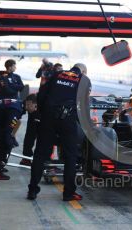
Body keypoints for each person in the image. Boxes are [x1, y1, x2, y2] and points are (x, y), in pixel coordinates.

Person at [27, 63, 90, 201]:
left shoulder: (57, 75)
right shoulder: (83, 80)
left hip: (48, 117)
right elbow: (84, 106)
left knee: (40, 154)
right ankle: (68, 193)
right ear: (83, 72)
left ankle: (32, 190)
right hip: (67, 120)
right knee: (70, 156)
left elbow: (41, 94)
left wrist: (44, 114)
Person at [0, 95, 37, 180]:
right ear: (29, 103)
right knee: (6, 142)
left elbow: (11, 125)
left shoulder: (18, 105)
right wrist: (10, 142)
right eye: (35, 106)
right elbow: (8, 131)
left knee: (5, 141)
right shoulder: (16, 110)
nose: (35, 109)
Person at [20, 94, 39, 166]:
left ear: (36, 105)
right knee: (29, 136)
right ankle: (26, 158)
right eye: (26, 105)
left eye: (29, 105)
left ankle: (43, 158)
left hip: (44, 119)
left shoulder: (45, 105)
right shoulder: (27, 104)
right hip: (33, 118)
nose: (26, 107)